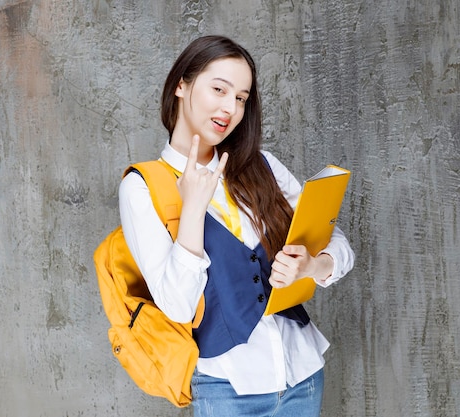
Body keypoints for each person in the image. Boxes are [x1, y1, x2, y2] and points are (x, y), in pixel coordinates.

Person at [118, 35, 355, 417]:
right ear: (181, 84)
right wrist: (192, 210)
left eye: (241, 98)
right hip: (226, 387)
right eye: (219, 89)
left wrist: (313, 265)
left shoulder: (262, 165)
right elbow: (177, 306)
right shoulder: (143, 186)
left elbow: (335, 240)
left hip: (303, 374)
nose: (230, 107)